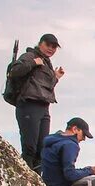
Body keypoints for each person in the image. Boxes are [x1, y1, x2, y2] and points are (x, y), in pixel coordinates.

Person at [8, 33, 65, 172]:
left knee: (42, 148)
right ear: (40, 43)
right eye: (48, 45)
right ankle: (25, 181)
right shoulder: (30, 56)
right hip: (29, 105)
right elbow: (13, 71)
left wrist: (56, 77)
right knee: (30, 147)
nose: (51, 49)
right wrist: (33, 63)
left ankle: (36, 183)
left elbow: (42, 86)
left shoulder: (46, 62)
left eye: (54, 47)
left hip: (43, 107)